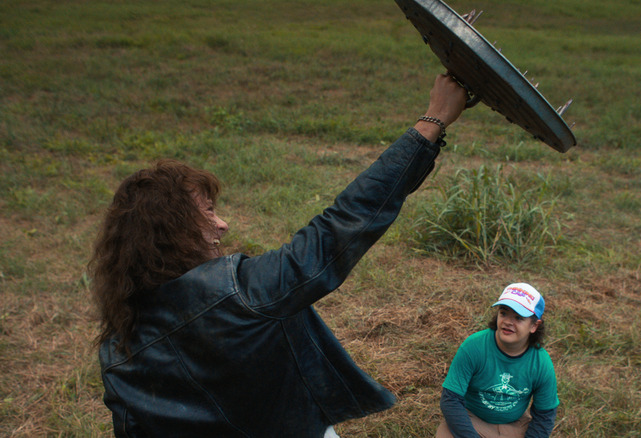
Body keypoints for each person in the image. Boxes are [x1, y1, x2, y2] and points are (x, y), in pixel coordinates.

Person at [88, 74, 467, 438]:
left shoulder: (116, 353)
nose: (222, 224)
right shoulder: (241, 293)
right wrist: (431, 122)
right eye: (206, 212)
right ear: (170, 233)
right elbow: (345, 222)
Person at [437, 283, 559, 438]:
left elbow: (545, 415)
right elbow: (450, 400)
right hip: (471, 419)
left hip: (515, 424)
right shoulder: (474, 346)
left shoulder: (541, 362)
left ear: (534, 325)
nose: (508, 321)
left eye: (518, 317)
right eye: (503, 313)